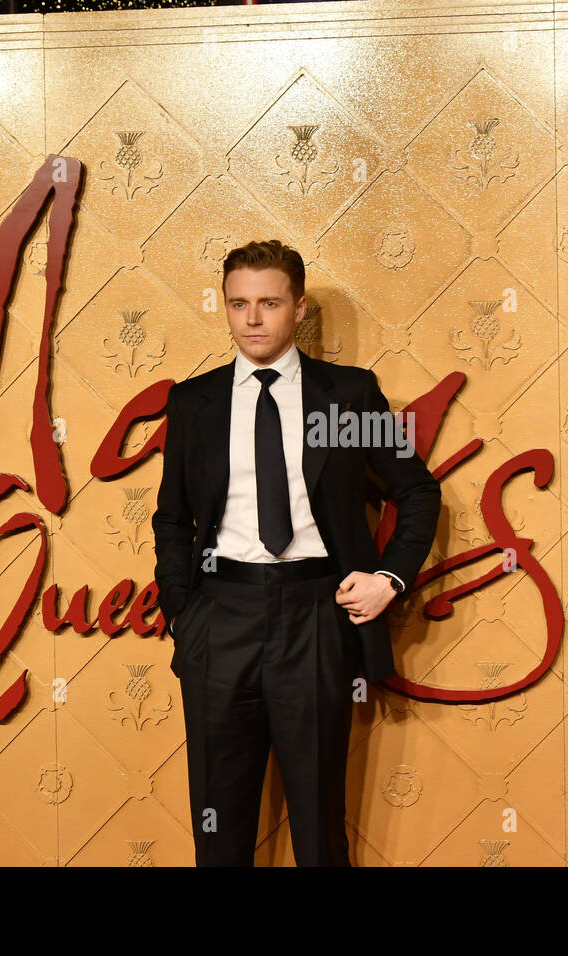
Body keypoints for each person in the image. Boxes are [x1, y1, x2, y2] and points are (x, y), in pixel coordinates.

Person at [151, 239, 441, 866]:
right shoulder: (194, 402)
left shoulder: (346, 397)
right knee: (219, 828)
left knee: (318, 827)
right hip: (218, 618)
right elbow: (172, 517)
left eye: (269, 303)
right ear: (225, 308)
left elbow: (416, 491)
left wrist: (389, 577)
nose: (252, 319)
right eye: (238, 304)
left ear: (299, 309)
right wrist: (183, 612)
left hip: (315, 614)